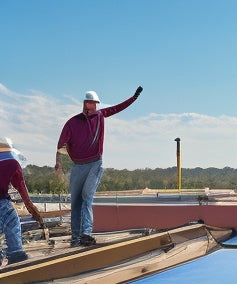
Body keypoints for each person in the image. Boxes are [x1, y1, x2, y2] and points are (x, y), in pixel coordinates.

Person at [55, 86, 143, 246]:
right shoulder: (72, 123)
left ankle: (86, 233)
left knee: (87, 197)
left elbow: (118, 108)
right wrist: (59, 164)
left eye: (95, 104)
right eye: (91, 103)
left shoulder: (101, 116)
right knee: (76, 202)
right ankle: (75, 239)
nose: (93, 106)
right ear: (85, 103)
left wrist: (134, 97)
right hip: (78, 166)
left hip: (94, 164)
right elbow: (60, 145)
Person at [1, 136, 45, 265]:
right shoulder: (12, 163)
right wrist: (31, 208)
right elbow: (21, 186)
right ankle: (16, 254)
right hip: (1, 202)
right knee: (12, 222)